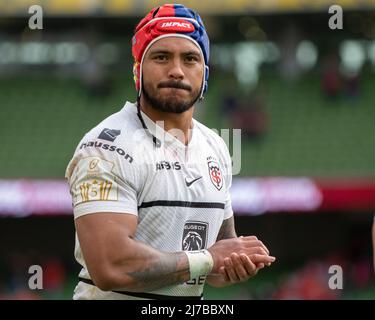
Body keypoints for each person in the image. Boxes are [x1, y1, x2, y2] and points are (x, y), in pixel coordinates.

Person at [65, 3, 275, 300]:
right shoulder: (106, 148)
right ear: (138, 69)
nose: (176, 70)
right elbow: (110, 267)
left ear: (205, 73)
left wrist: (237, 261)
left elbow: (215, 263)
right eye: (161, 57)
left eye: (190, 58)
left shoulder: (215, 146)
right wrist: (210, 259)